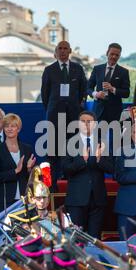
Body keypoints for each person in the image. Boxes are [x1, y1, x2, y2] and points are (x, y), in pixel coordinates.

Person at [40, 41, 87, 190]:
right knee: (53, 151)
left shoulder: (78, 69)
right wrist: (53, 109)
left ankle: (72, 183)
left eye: (65, 48)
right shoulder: (49, 70)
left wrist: (77, 107)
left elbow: (83, 91)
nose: (62, 51)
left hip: (73, 117)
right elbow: (45, 95)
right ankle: (51, 186)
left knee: (73, 150)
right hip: (54, 117)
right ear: (55, 52)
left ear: (70, 51)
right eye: (59, 48)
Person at [62, 111, 114, 239]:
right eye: (82, 121)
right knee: (75, 239)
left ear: (95, 124)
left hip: (97, 200)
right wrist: (83, 159)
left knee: (94, 239)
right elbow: (65, 170)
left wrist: (99, 159)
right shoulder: (69, 143)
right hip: (76, 200)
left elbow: (112, 168)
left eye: (89, 121)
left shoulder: (102, 143)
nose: (86, 124)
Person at [0, 113, 35, 216]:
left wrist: (28, 169)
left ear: (18, 129)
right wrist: (15, 171)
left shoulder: (27, 148)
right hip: (3, 200)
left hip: (23, 198)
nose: (9, 129)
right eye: (6, 126)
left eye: (13, 126)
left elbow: (31, 178)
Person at [87, 43, 130, 124]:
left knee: (115, 137)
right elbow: (88, 88)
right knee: (97, 136)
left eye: (117, 55)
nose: (114, 57)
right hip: (98, 111)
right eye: (112, 54)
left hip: (115, 113)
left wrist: (112, 89)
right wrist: (96, 94)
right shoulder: (97, 69)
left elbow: (126, 93)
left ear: (119, 56)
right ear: (107, 53)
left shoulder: (124, 72)